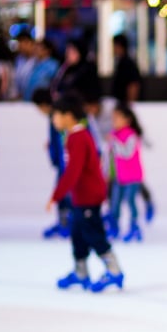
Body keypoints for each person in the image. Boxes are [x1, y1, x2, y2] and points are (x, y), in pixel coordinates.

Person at [48, 94, 124, 293]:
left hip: (89, 196)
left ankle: (114, 270)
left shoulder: (79, 137)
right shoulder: (73, 136)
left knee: (93, 233)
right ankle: (81, 271)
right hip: (81, 196)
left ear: (68, 115)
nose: (53, 120)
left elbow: (73, 171)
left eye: (55, 115)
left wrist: (57, 195)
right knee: (78, 234)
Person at [32, 88, 71, 239]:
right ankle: (63, 222)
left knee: (66, 193)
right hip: (60, 163)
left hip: (65, 164)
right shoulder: (53, 117)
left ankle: (68, 223)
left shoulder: (59, 116)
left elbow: (64, 141)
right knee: (61, 192)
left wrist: (62, 160)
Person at [107, 103, 146, 243]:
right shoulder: (113, 135)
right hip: (119, 176)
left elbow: (126, 153)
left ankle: (135, 226)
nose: (114, 121)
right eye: (113, 118)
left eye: (117, 118)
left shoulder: (131, 135)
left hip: (133, 177)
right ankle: (114, 226)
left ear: (127, 119)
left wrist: (115, 142)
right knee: (115, 202)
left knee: (130, 201)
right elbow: (110, 157)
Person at [110, 34, 143, 105]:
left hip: (125, 105)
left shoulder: (127, 64)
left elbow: (133, 85)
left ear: (119, 46)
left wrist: (130, 104)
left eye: (114, 45)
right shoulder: (121, 63)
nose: (112, 49)